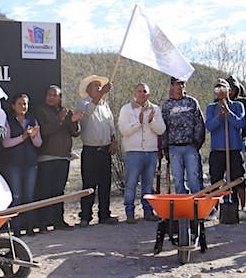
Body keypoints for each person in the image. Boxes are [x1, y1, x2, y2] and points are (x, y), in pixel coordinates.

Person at [33, 85, 81, 230]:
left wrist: (73, 121)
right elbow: (44, 131)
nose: (51, 97)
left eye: (55, 95)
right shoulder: (40, 111)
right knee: (45, 191)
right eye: (49, 95)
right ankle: (42, 222)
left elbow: (75, 132)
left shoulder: (66, 111)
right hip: (46, 157)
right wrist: (59, 120)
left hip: (63, 157)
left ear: (60, 98)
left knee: (59, 191)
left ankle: (58, 220)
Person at [118, 83, 166, 223]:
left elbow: (161, 130)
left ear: (148, 94)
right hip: (133, 152)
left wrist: (151, 121)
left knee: (148, 184)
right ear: (134, 93)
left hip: (151, 152)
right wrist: (138, 123)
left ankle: (148, 211)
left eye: (144, 91)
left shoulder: (155, 109)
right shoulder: (126, 109)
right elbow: (124, 130)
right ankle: (130, 213)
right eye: (139, 91)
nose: (141, 94)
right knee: (131, 183)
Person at [205, 79, 246, 220]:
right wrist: (219, 116)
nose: (220, 92)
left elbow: (240, 123)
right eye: (217, 89)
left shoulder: (238, 106)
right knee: (216, 179)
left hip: (234, 148)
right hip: (218, 149)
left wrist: (228, 113)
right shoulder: (211, 108)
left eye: (223, 89)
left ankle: (243, 208)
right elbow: (209, 126)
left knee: (239, 178)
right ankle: (214, 208)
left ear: (229, 91)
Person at [76, 75, 119, 226]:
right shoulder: (83, 103)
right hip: (90, 151)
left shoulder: (105, 105)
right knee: (89, 184)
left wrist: (113, 140)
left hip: (105, 150)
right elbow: (88, 113)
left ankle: (104, 215)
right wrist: (101, 94)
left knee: (105, 184)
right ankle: (85, 216)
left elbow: (110, 125)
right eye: (95, 85)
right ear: (88, 89)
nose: (99, 88)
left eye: (99, 86)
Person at [0, 93, 42, 235]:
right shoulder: (8, 120)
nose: (23, 106)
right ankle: (16, 228)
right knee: (16, 196)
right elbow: (5, 143)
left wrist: (34, 136)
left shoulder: (32, 120)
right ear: (13, 106)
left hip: (30, 163)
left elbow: (39, 143)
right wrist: (22, 137)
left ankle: (30, 227)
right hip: (14, 164)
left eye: (25, 104)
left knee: (29, 197)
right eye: (20, 104)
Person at [161, 76, 206, 194]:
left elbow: (200, 123)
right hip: (174, 147)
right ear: (172, 86)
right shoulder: (166, 105)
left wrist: (197, 142)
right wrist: (164, 147)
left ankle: (196, 205)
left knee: (194, 178)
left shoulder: (192, 102)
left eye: (182, 84)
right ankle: (182, 206)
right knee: (178, 180)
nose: (180, 86)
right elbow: (163, 127)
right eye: (177, 84)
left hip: (190, 147)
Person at [227, 77, 246, 215]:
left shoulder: (244, 103)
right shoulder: (219, 103)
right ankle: (233, 200)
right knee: (231, 173)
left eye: (232, 88)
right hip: (226, 144)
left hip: (243, 141)